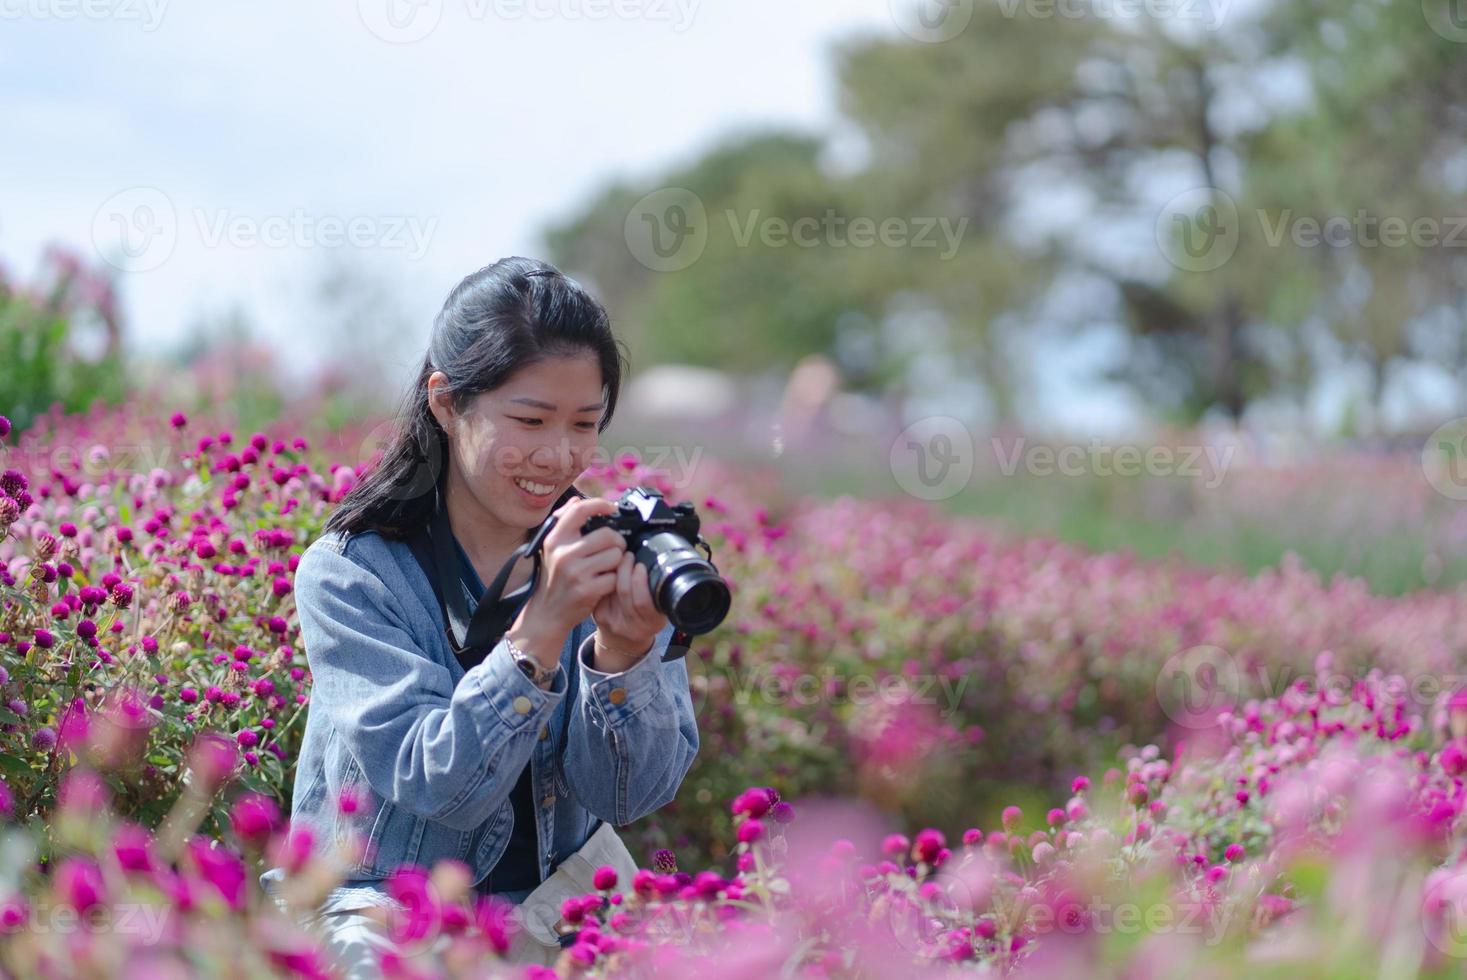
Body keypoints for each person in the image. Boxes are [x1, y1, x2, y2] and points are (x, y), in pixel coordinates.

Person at [259, 257, 700, 975]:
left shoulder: (607, 553)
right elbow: (441, 786)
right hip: (386, 910)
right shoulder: (354, 572)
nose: (558, 455)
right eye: (528, 419)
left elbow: (630, 795)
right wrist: (541, 631)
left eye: (585, 424)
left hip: (562, 905)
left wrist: (623, 653)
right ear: (445, 402)